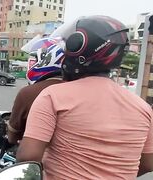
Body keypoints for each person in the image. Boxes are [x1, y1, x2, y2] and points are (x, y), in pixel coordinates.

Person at [16, 15, 153, 179]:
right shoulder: (143, 108)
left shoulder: (53, 96)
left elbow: (28, 158)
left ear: (77, 48)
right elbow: (148, 163)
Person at [7, 38, 65, 144]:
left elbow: (12, 136)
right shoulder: (78, 91)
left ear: (47, 59)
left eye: (36, 59)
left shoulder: (27, 93)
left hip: (38, 156)